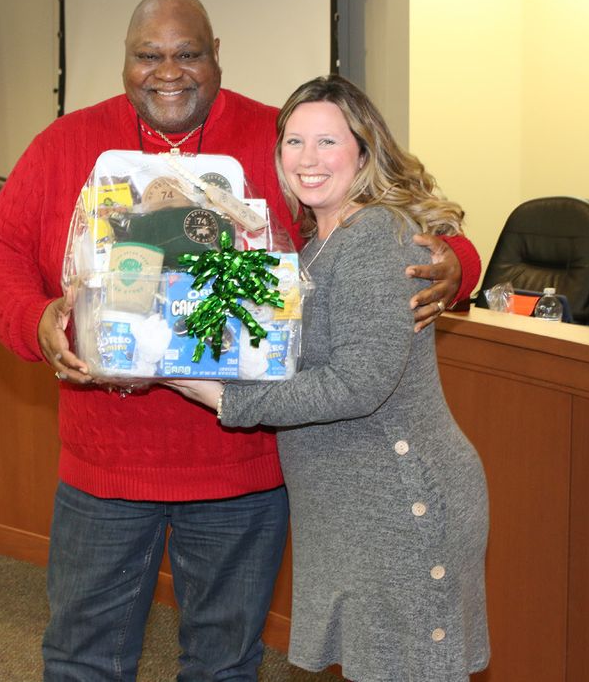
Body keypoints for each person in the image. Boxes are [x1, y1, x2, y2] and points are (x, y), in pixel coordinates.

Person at [0, 0, 481, 680]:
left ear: (216, 56)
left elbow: (398, 219)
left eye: (187, 54)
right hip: (104, 468)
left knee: (224, 664)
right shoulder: (64, 145)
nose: (168, 71)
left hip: (241, 469)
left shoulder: (282, 141)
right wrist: (36, 321)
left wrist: (460, 264)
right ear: (124, 62)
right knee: (81, 656)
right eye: (149, 55)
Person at [168, 75, 489, 681]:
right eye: (294, 142)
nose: (307, 160)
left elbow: (357, 384)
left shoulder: (373, 236)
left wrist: (227, 398)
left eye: (327, 142)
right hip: (350, 505)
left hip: (400, 496)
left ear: (364, 152)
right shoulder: (319, 243)